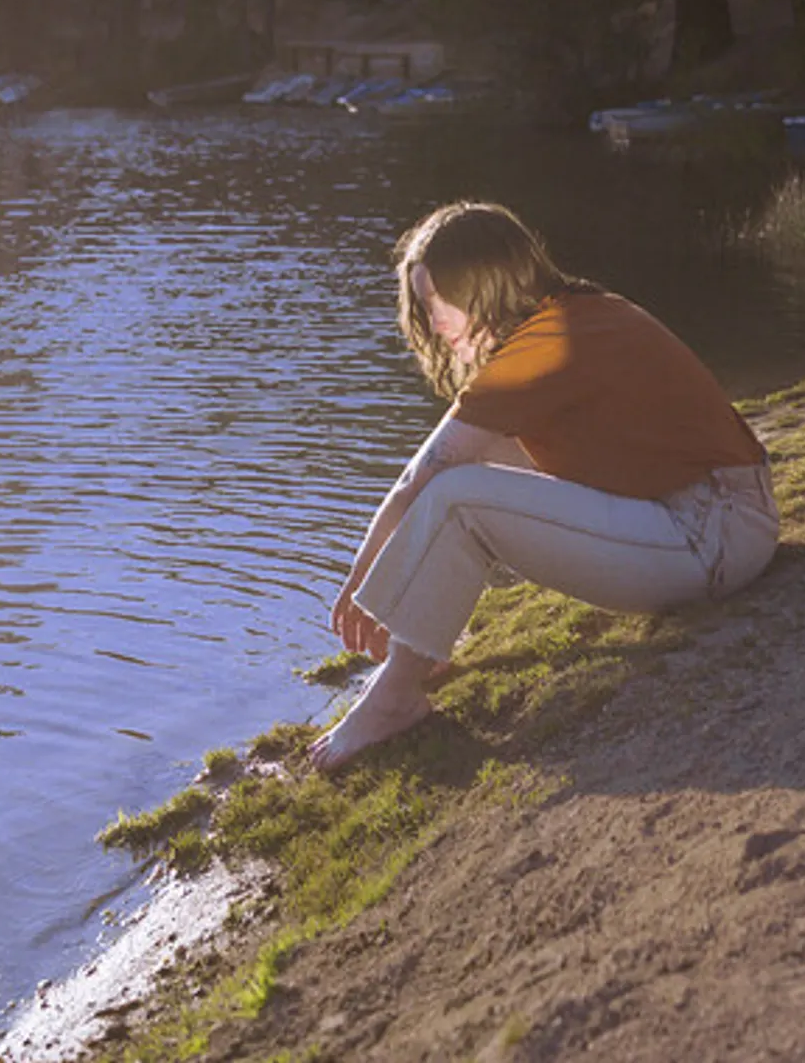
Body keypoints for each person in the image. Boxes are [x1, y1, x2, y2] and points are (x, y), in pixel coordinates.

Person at [310, 201, 780, 771]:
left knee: (456, 494)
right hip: (720, 517)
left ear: (485, 285)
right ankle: (419, 647)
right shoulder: (573, 315)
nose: (433, 323)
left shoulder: (545, 341)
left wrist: (357, 584)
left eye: (438, 302)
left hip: (715, 535)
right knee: (469, 469)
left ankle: (394, 699)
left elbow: (421, 476)